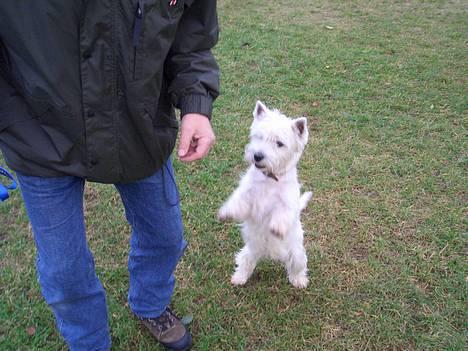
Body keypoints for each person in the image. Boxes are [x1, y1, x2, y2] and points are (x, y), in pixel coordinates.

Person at [0, 1, 219, 350]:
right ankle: (88, 342)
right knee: (65, 270)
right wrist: (14, 121)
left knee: (165, 237)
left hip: (138, 127)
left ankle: (149, 303)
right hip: (39, 134)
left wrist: (196, 102)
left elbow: (191, 36)